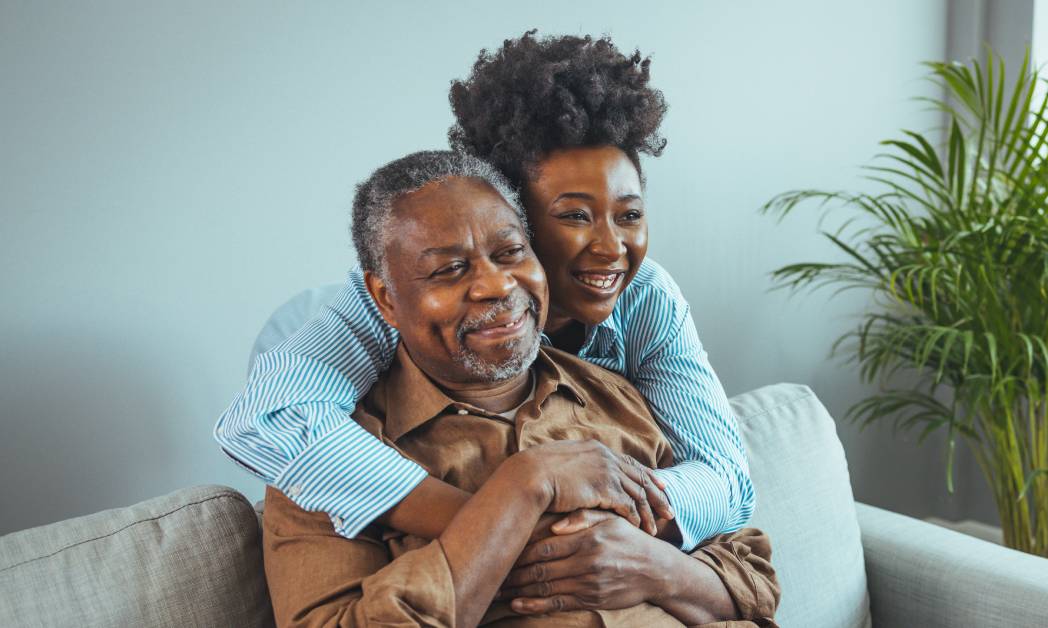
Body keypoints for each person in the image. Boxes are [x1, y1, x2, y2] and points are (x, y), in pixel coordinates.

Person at [216, 31, 752, 552]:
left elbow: (727, 480)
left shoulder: (646, 296)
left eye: (629, 214)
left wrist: (602, 529)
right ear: (509, 215)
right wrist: (502, 526)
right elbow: (267, 416)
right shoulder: (391, 303)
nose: (612, 248)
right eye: (574, 216)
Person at [261, 150, 778, 627]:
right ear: (385, 298)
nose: (497, 285)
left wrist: (652, 567)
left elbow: (753, 581)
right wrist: (522, 488)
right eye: (450, 269)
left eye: (510, 252)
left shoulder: (613, 392)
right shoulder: (320, 464)